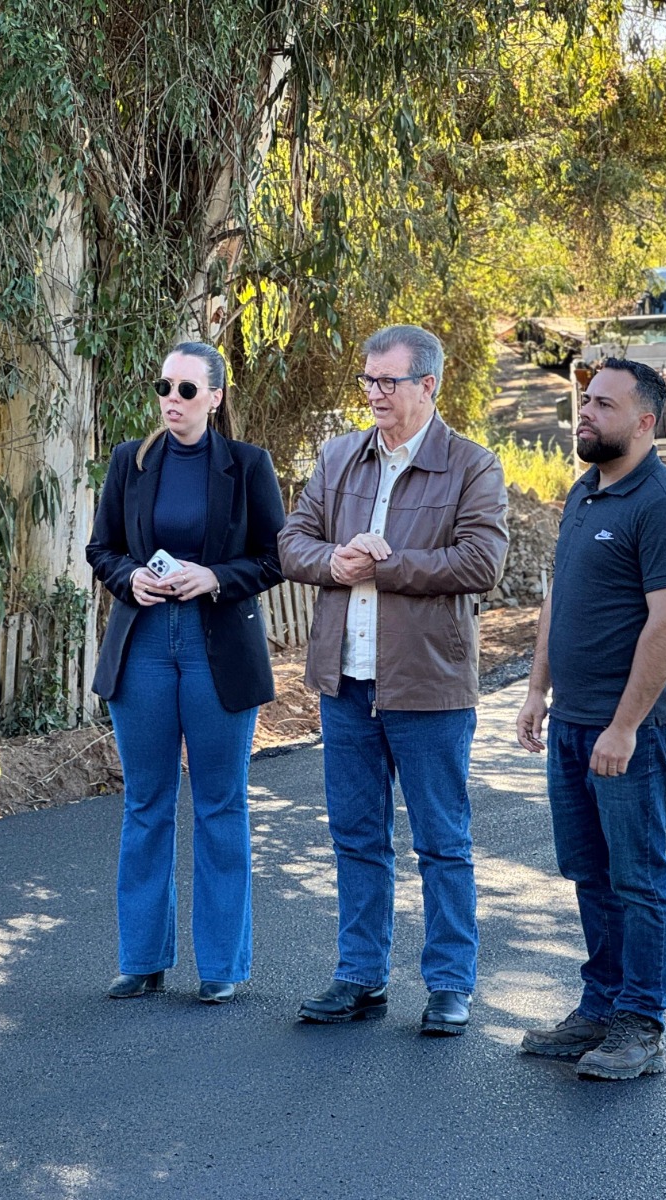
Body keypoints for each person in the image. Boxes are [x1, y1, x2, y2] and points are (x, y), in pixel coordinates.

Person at [278, 325, 509, 1037]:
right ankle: (360, 978)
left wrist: (388, 563)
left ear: (428, 386)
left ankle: (448, 985)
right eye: (369, 381)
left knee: (441, 842)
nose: (374, 394)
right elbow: (292, 541)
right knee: (356, 837)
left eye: (389, 382)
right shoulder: (339, 455)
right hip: (346, 683)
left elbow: (483, 564)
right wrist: (334, 563)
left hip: (429, 687)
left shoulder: (472, 465)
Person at [514, 356, 666, 1082]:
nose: (584, 414)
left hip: (631, 730)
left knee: (638, 877)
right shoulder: (585, 492)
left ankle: (639, 1023)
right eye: (584, 401)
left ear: (645, 422)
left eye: (602, 404)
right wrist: (536, 690)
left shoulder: (665, 505)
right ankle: (598, 1007)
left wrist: (624, 726)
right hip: (570, 720)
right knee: (589, 871)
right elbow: (559, 599)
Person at [85, 341, 286, 1005]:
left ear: (216, 398)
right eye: (164, 387)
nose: (172, 400)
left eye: (187, 390)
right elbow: (101, 547)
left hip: (217, 648)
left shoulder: (248, 467)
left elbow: (273, 558)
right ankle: (141, 961)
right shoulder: (131, 462)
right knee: (146, 803)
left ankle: (223, 966)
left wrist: (216, 577)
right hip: (142, 644)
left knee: (221, 803)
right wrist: (129, 576)